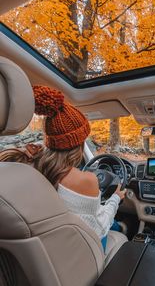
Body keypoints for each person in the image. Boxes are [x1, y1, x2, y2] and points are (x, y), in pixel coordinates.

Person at [0, 85, 126, 251]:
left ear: (50, 140)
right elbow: (98, 229)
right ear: (80, 142)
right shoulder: (86, 180)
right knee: (118, 231)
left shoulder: (31, 168)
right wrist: (116, 198)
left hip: (48, 249)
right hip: (83, 252)